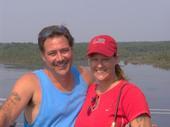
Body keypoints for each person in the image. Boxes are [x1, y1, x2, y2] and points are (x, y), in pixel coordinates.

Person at [0, 25, 92, 127]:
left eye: (64, 51)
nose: (60, 58)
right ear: (43, 57)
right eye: (52, 53)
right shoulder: (30, 83)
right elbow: (6, 114)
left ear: (72, 50)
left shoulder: (85, 76)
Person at [75, 35, 152, 127]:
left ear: (116, 59)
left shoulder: (130, 94)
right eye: (94, 59)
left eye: (105, 59)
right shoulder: (90, 91)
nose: (99, 65)